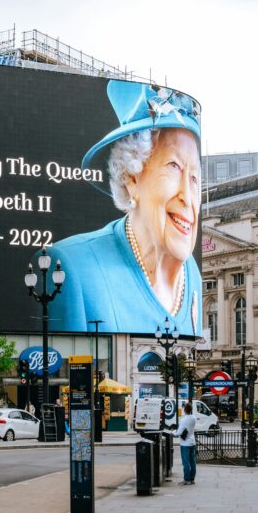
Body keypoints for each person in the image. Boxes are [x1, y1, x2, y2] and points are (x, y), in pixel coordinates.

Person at [47, 80, 203, 335]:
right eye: (174, 166)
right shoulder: (70, 267)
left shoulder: (192, 274)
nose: (187, 195)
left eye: (195, 177)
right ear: (132, 177)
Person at [177, 401, 197, 485]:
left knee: (186, 462)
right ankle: (192, 479)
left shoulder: (183, 420)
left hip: (185, 444)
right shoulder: (193, 418)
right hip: (192, 442)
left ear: (185, 410)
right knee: (192, 461)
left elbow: (178, 433)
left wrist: (172, 432)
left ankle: (186, 479)